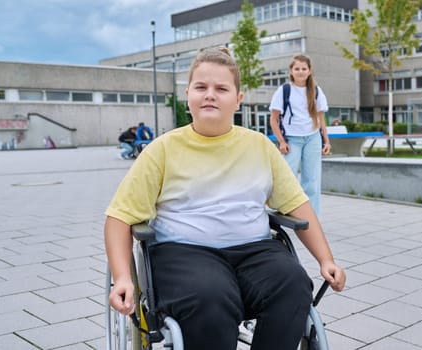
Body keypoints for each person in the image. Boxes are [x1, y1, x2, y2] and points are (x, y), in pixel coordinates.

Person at [104, 48, 345, 350]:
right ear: (188, 94)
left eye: (221, 89)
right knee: (211, 297)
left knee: (293, 285)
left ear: (238, 99)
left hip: (254, 250)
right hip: (185, 252)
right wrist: (122, 277)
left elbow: (296, 204)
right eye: (201, 87)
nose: (210, 95)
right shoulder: (162, 149)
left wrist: (326, 259)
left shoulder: (259, 146)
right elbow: (120, 216)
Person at [269, 54, 330, 217]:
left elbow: (320, 119)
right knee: (287, 177)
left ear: (310, 71)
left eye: (304, 69)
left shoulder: (316, 91)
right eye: (297, 68)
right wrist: (281, 141)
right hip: (291, 140)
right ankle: (287, 210)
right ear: (291, 71)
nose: (301, 72)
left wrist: (326, 141)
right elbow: (274, 120)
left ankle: (312, 216)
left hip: (313, 138)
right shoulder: (284, 90)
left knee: (312, 180)